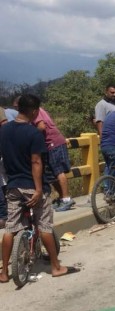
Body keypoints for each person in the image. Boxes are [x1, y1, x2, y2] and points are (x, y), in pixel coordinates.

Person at [0, 94, 79, 283]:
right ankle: (56, 266)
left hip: (12, 187)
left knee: (10, 228)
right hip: (32, 186)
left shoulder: (3, 131)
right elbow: (36, 161)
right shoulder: (33, 133)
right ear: (35, 111)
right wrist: (37, 189)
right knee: (44, 225)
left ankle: (4, 273)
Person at [33, 105, 75, 212]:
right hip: (51, 144)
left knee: (58, 171)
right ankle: (62, 198)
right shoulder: (39, 110)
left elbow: (41, 126)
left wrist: (30, 133)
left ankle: (66, 199)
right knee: (51, 174)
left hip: (53, 143)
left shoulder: (35, 111)